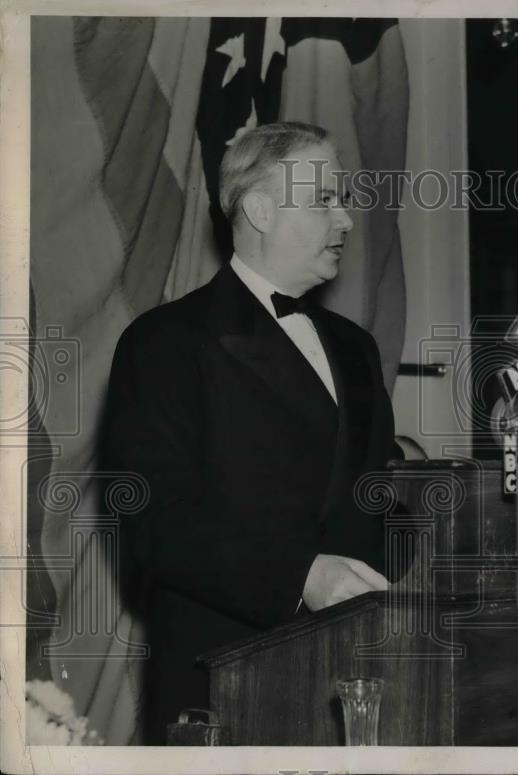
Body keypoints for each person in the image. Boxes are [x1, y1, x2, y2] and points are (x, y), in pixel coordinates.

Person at [103, 122, 402, 742]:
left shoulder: (356, 348)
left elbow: (375, 499)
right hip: (223, 686)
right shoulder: (164, 343)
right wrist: (301, 575)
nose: (345, 220)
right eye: (324, 199)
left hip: (354, 679)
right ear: (261, 210)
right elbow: (154, 525)